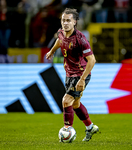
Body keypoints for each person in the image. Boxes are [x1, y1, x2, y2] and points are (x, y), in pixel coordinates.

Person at [46, 8, 99, 142]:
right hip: (69, 74)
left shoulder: (80, 39)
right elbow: (60, 40)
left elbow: (92, 60)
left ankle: (67, 130)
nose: (65, 23)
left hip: (81, 75)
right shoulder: (61, 32)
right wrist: (52, 51)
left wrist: (82, 80)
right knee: (75, 104)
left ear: (74, 22)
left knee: (66, 100)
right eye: (63, 20)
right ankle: (90, 127)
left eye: (68, 20)